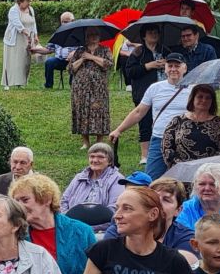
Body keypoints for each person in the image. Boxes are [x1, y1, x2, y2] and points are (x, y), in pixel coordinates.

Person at [110, 52, 193, 180]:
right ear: (165, 68)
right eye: (170, 66)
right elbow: (139, 112)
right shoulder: (155, 88)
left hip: (185, 139)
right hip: (159, 139)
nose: (173, 69)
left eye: (177, 66)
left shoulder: (194, 89)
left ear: (185, 68)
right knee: (151, 179)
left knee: (185, 180)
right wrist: (119, 130)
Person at [161, 85, 220, 169]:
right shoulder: (177, 121)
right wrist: (181, 166)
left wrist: (206, 168)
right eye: (200, 96)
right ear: (193, 99)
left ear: (212, 101)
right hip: (181, 171)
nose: (204, 100)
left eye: (208, 98)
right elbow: (167, 147)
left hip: (210, 173)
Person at [124, 26, 167, 165]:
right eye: (150, 32)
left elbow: (177, 66)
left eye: (156, 32)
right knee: (145, 122)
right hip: (144, 92)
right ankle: (145, 155)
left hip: (164, 91)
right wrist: (148, 66)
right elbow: (130, 72)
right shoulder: (138, 52)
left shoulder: (165, 50)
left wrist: (167, 64)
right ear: (144, 36)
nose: (153, 34)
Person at [69, 28, 114, 149]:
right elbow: (71, 69)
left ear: (100, 37)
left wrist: (91, 57)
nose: (94, 37)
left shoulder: (105, 50)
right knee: (82, 110)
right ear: (86, 37)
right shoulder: (80, 51)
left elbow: (108, 64)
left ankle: (99, 140)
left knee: (99, 110)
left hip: (99, 88)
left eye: (96, 34)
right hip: (80, 87)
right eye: (90, 35)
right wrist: (83, 58)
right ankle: (85, 142)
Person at [60, 143, 123, 215]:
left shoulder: (117, 179)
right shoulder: (79, 177)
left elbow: (114, 208)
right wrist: (67, 220)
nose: (95, 160)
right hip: (71, 223)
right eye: (92, 156)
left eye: (101, 157)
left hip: (101, 224)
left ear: (110, 161)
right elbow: (64, 201)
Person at [2, 0, 43, 88]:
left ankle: (20, 82)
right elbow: (16, 22)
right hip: (15, 38)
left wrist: (35, 35)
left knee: (24, 60)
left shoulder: (31, 9)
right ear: (21, 1)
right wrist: (24, 31)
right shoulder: (13, 10)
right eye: (27, 1)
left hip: (27, 39)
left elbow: (34, 23)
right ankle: (7, 83)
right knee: (12, 60)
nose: (29, 3)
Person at [42, 11, 78, 90]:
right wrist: (35, 50)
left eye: (66, 22)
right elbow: (49, 49)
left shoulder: (78, 34)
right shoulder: (57, 34)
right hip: (59, 60)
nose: (64, 24)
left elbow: (83, 49)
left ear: (73, 21)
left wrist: (74, 53)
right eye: (62, 22)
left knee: (76, 61)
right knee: (49, 61)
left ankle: (73, 85)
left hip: (73, 60)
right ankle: (48, 85)